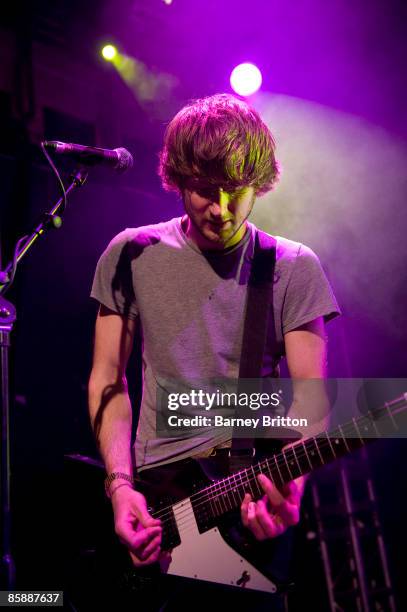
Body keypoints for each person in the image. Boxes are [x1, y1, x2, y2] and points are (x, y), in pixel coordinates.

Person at [88, 93, 340, 609]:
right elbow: (108, 380)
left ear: (260, 185)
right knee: (34, 599)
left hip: (248, 501)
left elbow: (310, 402)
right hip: (156, 506)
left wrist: (292, 484)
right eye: (204, 191)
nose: (221, 210)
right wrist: (119, 489)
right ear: (178, 178)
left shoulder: (293, 266)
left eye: (236, 192)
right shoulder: (131, 252)